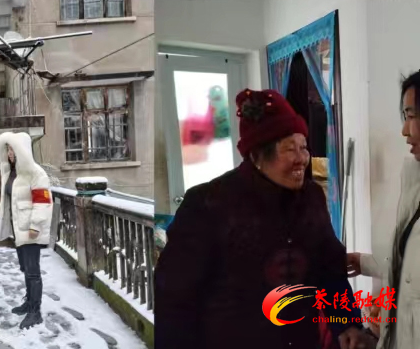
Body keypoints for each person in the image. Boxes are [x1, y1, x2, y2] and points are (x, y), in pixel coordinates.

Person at [156, 88, 374, 349]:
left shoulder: (311, 197)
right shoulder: (208, 204)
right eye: (289, 149)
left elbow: (329, 268)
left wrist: (346, 322)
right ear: (257, 155)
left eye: (303, 147)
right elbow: (175, 299)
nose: (302, 159)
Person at [348, 69, 420, 349]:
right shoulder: (414, 184)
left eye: (411, 116)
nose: (404, 130)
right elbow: (408, 266)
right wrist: (363, 262)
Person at [0, 132, 53, 330]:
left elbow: (43, 202)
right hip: (18, 230)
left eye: (13, 149)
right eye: (8, 149)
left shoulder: (36, 174)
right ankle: (29, 302)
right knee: (26, 269)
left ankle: (35, 312)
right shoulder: (12, 173)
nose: (10, 153)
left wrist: (36, 226)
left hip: (31, 230)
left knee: (33, 271)